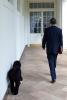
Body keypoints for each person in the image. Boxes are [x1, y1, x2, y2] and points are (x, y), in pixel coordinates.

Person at [42, 18, 63, 83]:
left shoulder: (47, 30)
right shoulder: (59, 30)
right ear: (55, 23)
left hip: (49, 49)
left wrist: (43, 45)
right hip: (56, 49)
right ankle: (53, 70)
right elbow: (61, 40)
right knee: (54, 61)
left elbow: (44, 39)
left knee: (51, 63)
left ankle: (53, 77)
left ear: (50, 23)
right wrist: (61, 47)